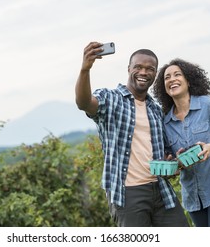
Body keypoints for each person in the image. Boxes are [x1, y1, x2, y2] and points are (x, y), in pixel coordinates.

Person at [75, 41, 189, 227]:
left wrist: (172, 162)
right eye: (138, 67)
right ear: (129, 69)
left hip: (161, 189)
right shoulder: (110, 99)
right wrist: (85, 70)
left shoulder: (155, 109)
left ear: (155, 73)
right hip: (128, 193)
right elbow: (84, 103)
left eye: (150, 69)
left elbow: (164, 152)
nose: (144, 72)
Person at [153, 58, 210, 227]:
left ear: (188, 80)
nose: (172, 79)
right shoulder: (166, 122)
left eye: (177, 75)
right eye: (167, 77)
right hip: (193, 198)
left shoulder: (209, 105)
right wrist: (175, 163)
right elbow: (171, 156)